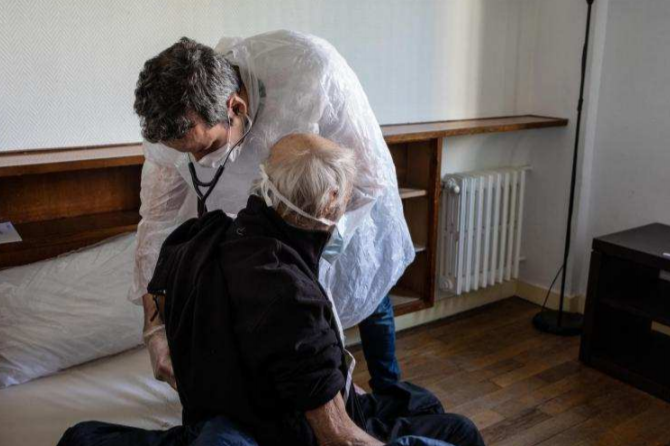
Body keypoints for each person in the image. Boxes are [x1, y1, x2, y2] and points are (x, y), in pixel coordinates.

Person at [58, 134, 485, 446]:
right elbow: (338, 437)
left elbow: (157, 289)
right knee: (459, 432)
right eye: (348, 199)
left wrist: (158, 337)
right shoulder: (294, 301)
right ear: (330, 204)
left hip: (214, 410)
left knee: (419, 401)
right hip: (280, 429)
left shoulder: (197, 235)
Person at [132, 31, 412, 396]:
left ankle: (390, 394)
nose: (197, 163)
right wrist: (154, 329)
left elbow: (368, 178)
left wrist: (313, 252)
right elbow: (155, 224)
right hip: (257, 223)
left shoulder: (312, 73)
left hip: (338, 208)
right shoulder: (172, 120)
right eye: (185, 153)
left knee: (368, 291)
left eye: (207, 148)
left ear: (236, 108)